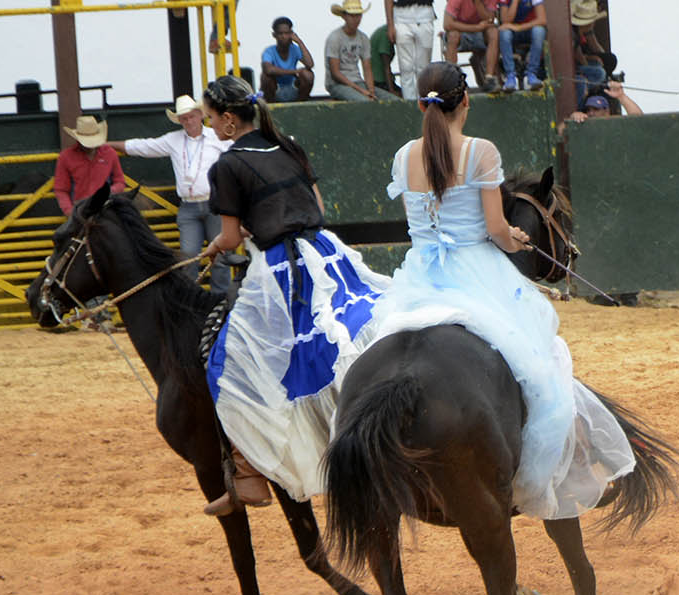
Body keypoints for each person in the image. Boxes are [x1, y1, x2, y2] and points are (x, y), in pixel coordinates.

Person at [368, 61, 637, 519]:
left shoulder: (402, 156)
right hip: (476, 272)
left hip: (419, 278)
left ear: (420, 105)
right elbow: (495, 231)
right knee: (545, 363)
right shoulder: (481, 152)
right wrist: (518, 237)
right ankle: (557, 470)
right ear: (465, 101)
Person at [196, 74, 385, 516]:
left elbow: (228, 237)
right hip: (326, 253)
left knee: (227, 359)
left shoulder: (227, 165)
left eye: (209, 119)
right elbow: (314, 208)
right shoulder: (287, 144)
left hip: (282, 268)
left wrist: (215, 247)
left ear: (227, 121)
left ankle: (249, 473)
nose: (209, 127)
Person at [109, 95, 233, 293]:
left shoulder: (218, 138)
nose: (188, 121)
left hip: (214, 204)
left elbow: (240, 150)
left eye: (191, 117)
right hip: (189, 206)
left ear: (200, 116)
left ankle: (222, 302)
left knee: (220, 257)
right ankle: (189, 300)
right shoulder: (173, 140)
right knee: (189, 257)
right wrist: (109, 145)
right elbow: (143, 146)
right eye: (184, 118)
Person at [443, 0, 505, 87]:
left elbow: (489, 19)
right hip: (462, 32)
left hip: (482, 32)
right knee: (452, 35)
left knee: (494, 31)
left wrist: (477, 1)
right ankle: (453, 80)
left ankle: (490, 77)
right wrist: (475, 27)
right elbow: (447, 24)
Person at [324, 0, 395, 102]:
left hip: (358, 82)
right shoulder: (335, 38)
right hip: (337, 84)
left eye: (358, 15)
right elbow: (335, 73)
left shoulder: (363, 38)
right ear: (344, 16)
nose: (355, 19)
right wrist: (361, 90)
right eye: (351, 15)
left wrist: (370, 91)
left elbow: (367, 68)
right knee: (364, 102)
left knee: (392, 100)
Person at [52, 114, 125, 215]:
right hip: (80, 210)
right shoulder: (66, 157)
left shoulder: (110, 153)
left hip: (106, 207)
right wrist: (69, 211)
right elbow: (61, 189)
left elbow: (120, 182)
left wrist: (110, 192)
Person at [498, 0, 548, 90]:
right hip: (512, 33)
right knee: (504, 33)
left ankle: (531, 74)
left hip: (527, 30)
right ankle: (510, 76)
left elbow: (542, 19)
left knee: (539, 31)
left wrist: (520, 27)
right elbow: (505, 21)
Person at [259, 17, 315, 103]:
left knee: (308, 74)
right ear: (274, 35)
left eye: (287, 33)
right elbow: (268, 69)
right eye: (280, 33)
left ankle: (300, 104)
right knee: (265, 77)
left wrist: (299, 42)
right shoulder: (269, 51)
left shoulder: (295, 49)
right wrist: (295, 71)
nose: (283, 36)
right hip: (275, 90)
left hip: (293, 88)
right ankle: (271, 107)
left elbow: (310, 64)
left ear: (291, 34)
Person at [571, 0, 615, 102]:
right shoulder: (572, 35)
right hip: (571, 70)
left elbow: (592, 53)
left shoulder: (579, 32)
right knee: (599, 73)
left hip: (577, 66)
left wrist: (592, 59)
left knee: (605, 61)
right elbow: (577, 58)